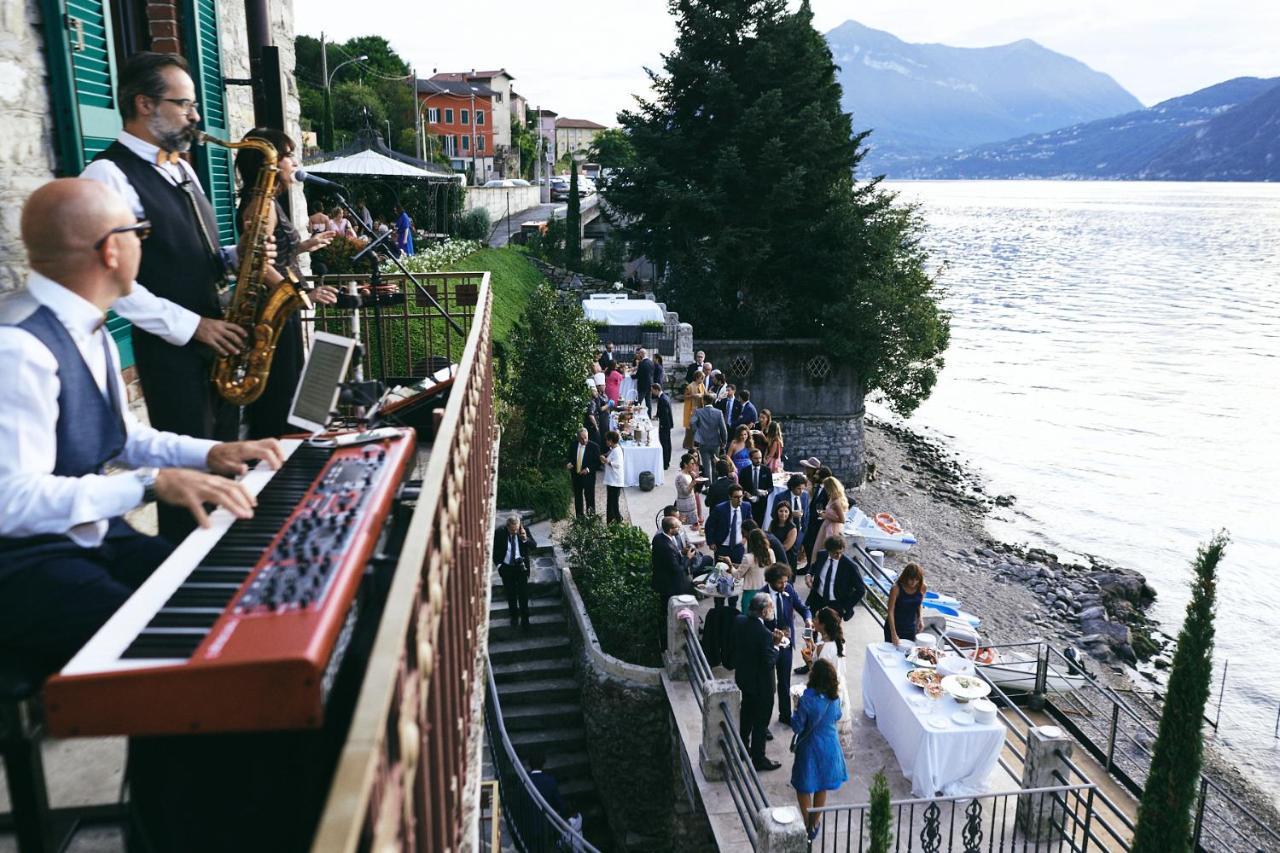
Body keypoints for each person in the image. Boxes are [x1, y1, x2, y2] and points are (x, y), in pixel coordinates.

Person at [0, 178, 282, 677]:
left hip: (86, 535)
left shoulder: (87, 324)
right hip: (23, 565)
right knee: (185, 662)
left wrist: (212, 452)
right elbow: (11, 503)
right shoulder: (18, 347)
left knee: (216, 599)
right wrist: (148, 485)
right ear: (111, 250)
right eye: (140, 232)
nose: (143, 244)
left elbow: (122, 438)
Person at [80, 52, 258, 536]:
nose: (196, 117)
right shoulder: (107, 177)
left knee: (223, 462)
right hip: (173, 350)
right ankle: (187, 576)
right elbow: (118, 285)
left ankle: (227, 562)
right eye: (184, 105)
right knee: (190, 486)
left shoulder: (180, 168)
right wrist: (195, 327)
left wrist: (234, 255)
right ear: (144, 104)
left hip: (216, 342)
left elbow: (186, 249)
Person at [232, 128, 339, 439]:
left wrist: (304, 246)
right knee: (280, 394)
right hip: (273, 309)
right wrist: (304, 292)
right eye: (288, 154)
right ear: (270, 161)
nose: (294, 161)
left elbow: (274, 251)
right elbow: (260, 265)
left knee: (285, 389)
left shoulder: (266, 201)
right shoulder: (261, 205)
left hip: (279, 306)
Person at [789, 659, 848, 841]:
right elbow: (837, 716)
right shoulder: (834, 698)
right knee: (822, 785)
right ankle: (814, 824)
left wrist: (796, 708)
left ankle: (807, 824)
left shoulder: (807, 699)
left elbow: (797, 727)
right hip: (830, 747)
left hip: (810, 749)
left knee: (803, 786)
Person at [733, 594, 785, 771]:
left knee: (746, 714)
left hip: (744, 679)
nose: (772, 611)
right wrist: (776, 644)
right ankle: (758, 758)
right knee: (761, 722)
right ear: (763, 611)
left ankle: (741, 748)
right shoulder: (763, 634)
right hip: (762, 685)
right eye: (771, 608)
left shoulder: (739, 620)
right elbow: (769, 662)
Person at [762, 563, 811, 724]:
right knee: (767, 688)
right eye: (780, 583)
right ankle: (763, 722)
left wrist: (808, 619)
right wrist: (773, 635)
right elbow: (756, 626)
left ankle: (785, 716)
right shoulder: (761, 596)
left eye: (785, 581)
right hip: (768, 647)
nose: (784, 585)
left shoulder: (788, 589)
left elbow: (803, 608)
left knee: (784, 682)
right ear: (770, 581)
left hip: (786, 646)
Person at [801, 607, 854, 756]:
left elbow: (816, 676)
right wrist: (811, 642)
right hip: (840, 689)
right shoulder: (840, 643)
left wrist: (809, 662)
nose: (814, 621)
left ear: (823, 625)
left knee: (822, 731)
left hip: (825, 692)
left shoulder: (821, 648)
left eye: (816, 619)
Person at [804, 536, 866, 622]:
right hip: (818, 599)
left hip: (836, 604)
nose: (838, 555)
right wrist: (809, 574)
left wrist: (844, 608)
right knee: (813, 626)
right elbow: (814, 566)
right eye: (835, 553)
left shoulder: (850, 566)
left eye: (841, 552)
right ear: (828, 550)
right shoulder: (821, 555)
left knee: (832, 633)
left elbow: (861, 590)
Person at [651, 517, 693, 642]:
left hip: (662, 581)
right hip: (670, 585)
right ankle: (668, 638)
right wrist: (688, 558)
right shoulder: (667, 547)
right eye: (676, 527)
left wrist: (680, 553)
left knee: (664, 609)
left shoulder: (658, 538)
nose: (679, 529)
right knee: (670, 611)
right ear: (670, 530)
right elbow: (677, 569)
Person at [493, 514, 535, 629]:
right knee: (511, 595)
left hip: (521, 568)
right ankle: (514, 618)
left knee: (523, 595)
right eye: (512, 530)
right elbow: (494, 551)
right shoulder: (500, 533)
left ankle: (525, 621)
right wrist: (499, 566)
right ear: (507, 526)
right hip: (507, 568)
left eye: (516, 529)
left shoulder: (523, 531)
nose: (514, 532)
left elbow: (534, 546)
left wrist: (525, 539)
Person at [733, 529, 779, 614]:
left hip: (750, 593)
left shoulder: (748, 557)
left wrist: (729, 566)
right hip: (766, 590)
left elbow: (737, 575)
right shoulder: (770, 552)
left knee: (747, 619)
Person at [885, 562, 927, 645]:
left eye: (917, 580)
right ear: (906, 576)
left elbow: (919, 604)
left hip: (910, 627)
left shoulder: (922, 587)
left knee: (908, 653)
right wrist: (893, 634)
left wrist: (920, 619)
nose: (914, 583)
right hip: (894, 626)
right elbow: (890, 611)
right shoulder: (896, 588)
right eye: (911, 579)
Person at [799, 463, 832, 566]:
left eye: (817, 474)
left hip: (819, 521)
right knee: (807, 542)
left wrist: (823, 514)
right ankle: (809, 564)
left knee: (812, 543)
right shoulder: (819, 486)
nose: (815, 476)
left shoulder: (828, 490)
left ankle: (812, 565)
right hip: (812, 519)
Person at [705, 485, 748, 563]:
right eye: (736, 497)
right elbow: (709, 526)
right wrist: (711, 542)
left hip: (738, 547)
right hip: (722, 547)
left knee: (737, 571)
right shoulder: (719, 509)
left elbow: (750, 525)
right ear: (730, 497)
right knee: (721, 571)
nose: (739, 500)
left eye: (741, 496)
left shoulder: (746, 507)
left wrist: (745, 538)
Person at [690, 396, 728, 477]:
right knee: (715, 465)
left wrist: (698, 433)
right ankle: (714, 485)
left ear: (704, 401)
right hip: (715, 442)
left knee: (706, 466)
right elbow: (723, 429)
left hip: (703, 442)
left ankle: (708, 486)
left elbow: (692, 425)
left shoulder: (698, 412)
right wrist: (724, 442)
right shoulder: (719, 412)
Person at [566, 428, 600, 517]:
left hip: (588, 477)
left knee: (590, 498)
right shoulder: (573, 445)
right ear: (577, 437)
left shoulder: (594, 447)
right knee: (578, 498)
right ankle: (579, 518)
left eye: (586, 437)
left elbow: (597, 463)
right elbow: (569, 457)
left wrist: (588, 469)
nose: (584, 440)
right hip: (576, 476)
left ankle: (591, 519)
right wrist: (569, 463)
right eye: (582, 438)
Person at [739, 446, 773, 525]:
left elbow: (771, 487)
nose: (758, 460)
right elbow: (740, 487)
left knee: (759, 523)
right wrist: (746, 494)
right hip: (748, 502)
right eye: (756, 458)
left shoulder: (766, 470)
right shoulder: (744, 471)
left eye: (760, 458)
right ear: (750, 458)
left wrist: (766, 492)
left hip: (761, 502)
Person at [814, 476, 849, 551]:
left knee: (824, 548)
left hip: (832, 528)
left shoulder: (836, 502)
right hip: (827, 525)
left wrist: (826, 516)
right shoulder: (832, 498)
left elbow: (842, 520)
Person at [526, 749, 565, 815]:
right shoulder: (550, 781)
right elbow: (559, 805)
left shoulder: (524, 781)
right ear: (543, 763)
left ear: (529, 763)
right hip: (546, 822)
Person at [673, 453, 703, 528]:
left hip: (691, 506)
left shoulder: (689, 474)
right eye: (692, 464)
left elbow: (692, 490)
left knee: (694, 527)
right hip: (684, 507)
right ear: (685, 464)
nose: (694, 466)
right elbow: (685, 492)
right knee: (685, 527)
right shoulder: (681, 477)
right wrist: (694, 481)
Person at [769, 501, 800, 571]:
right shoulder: (772, 523)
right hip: (774, 557)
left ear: (789, 513)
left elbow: (785, 547)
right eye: (781, 511)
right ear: (777, 512)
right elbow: (769, 538)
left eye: (786, 511)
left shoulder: (792, 528)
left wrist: (771, 552)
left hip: (787, 560)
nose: (783, 514)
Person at [601, 430, 625, 524]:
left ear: (610, 441)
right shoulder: (613, 449)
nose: (606, 442)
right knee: (610, 502)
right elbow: (608, 455)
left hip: (615, 481)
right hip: (612, 481)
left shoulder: (617, 451)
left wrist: (607, 461)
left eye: (607, 440)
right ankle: (610, 521)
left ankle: (617, 520)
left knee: (613, 503)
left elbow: (618, 465)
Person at [652, 382, 674, 469]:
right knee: (667, 442)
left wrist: (661, 424)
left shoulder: (662, 399)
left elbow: (665, 414)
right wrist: (657, 415)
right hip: (667, 424)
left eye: (653, 390)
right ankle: (666, 461)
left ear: (657, 390)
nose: (652, 392)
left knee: (665, 443)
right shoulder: (664, 397)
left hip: (665, 425)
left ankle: (665, 463)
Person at [634, 346, 654, 415]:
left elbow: (638, 375)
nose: (638, 355)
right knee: (648, 402)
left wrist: (631, 376)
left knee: (638, 401)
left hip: (643, 385)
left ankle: (635, 414)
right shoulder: (651, 362)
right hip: (650, 384)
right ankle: (649, 415)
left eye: (639, 354)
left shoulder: (642, 363)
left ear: (642, 354)